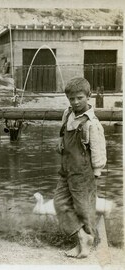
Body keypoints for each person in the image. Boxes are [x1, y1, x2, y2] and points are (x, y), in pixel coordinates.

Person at [54, 77, 107, 259]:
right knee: (60, 203)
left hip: (84, 173)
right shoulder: (67, 114)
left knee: (84, 209)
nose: (75, 102)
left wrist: (97, 172)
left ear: (88, 96)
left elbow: (99, 150)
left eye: (79, 98)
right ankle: (82, 237)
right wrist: (61, 142)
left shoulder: (92, 124)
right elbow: (63, 132)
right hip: (66, 169)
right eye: (71, 99)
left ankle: (84, 245)